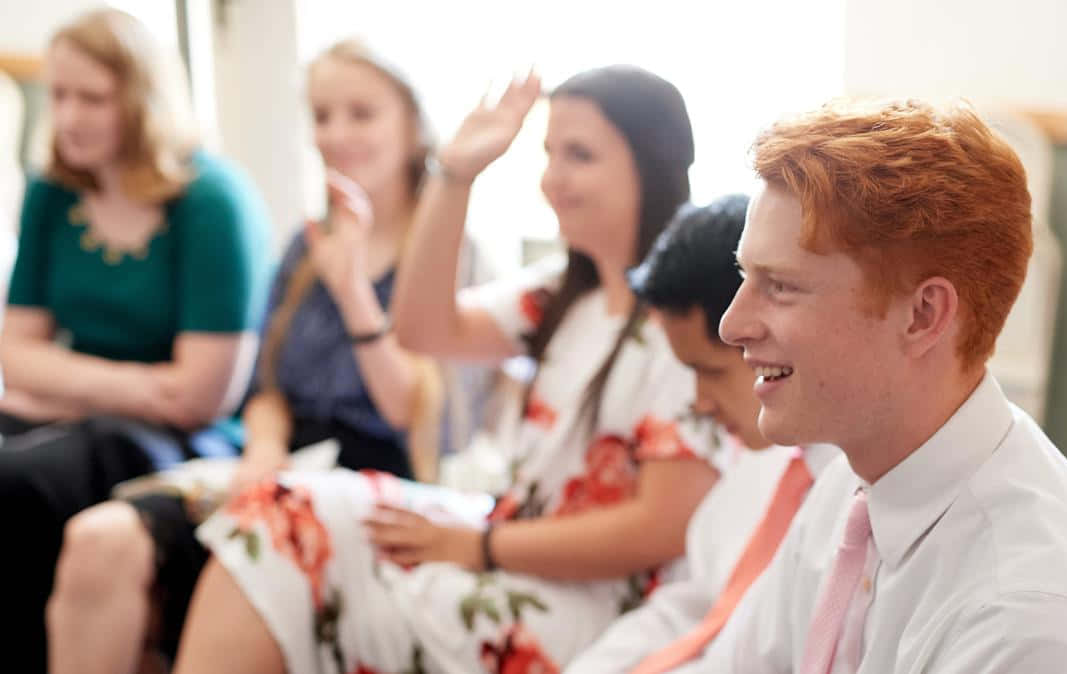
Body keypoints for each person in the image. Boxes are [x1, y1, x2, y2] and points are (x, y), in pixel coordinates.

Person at [173, 66, 730, 674]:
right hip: (503, 538)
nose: (552, 180)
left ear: (651, 162)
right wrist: (455, 174)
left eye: (580, 155)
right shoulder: (564, 295)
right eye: (548, 154)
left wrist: (478, 546)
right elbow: (421, 328)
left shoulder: (680, 321)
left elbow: (659, 527)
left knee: (303, 570)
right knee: (273, 510)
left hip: (580, 596)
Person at [693, 98, 1067, 672]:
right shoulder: (852, 485)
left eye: (780, 286)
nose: (732, 325)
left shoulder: (1034, 624)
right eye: (744, 275)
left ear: (924, 315)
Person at [43, 39, 447, 673]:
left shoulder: (448, 254)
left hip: (381, 478)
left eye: (361, 114)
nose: (336, 133)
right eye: (321, 115)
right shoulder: (304, 246)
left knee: (235, 570)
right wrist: (263, 451)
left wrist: (353, 292)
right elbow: (266, 389)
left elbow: (417, 415)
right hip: (277, 458)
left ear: (414, 126)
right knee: (99, 540)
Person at [0, 9, 271, 672]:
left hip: (183, 439)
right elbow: (14, 352)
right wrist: (134, 386)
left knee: (17, 482)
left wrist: (63, 379)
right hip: (81, 414)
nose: (68, 117)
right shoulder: (52, 195)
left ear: (143, 99)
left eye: (92, 97)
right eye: (59, 96)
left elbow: (201, 396)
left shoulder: (211, 201)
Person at [565, 194, 839, 673]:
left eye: (711, 371)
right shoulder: (753, 479)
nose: (700, 402)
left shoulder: (852, 499)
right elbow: (684, 611)